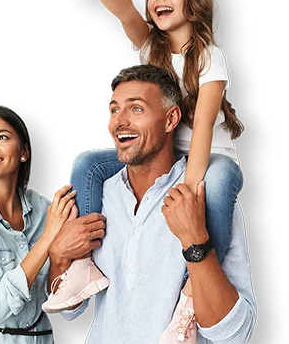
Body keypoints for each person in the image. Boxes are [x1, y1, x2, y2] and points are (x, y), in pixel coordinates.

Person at [43, 0, 245, 343]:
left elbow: (202, 127)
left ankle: (191, 291)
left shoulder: (209, 57)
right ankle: (83, 263)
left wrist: (186, 187)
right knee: (88, 163)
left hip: (211, 157)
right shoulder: (151, 46)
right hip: (165, 152)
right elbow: (123, 9)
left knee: (213, 184)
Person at [47, 63, 256, 344]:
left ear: (171, 120)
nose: (119, 122)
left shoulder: (207, 197)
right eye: (113, 110)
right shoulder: (98, 196)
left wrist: (196, 241)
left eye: (136, 109)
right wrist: (59, 258)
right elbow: (71, 311)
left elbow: (234, 334)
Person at [0, 103, 106, 343]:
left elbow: (68, 309)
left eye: (2, 137)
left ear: (23, 152)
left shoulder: (44, 209)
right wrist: (48, 239)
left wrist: (61, 258)